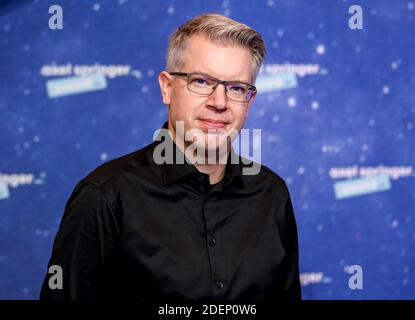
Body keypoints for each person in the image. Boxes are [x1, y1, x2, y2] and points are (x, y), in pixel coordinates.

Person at [40, 13, 301, 300]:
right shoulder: (106, 197)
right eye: (201, 82)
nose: (219, 102)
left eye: (236, 88)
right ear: (167, 87)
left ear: (249, 101)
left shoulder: (271, 194)